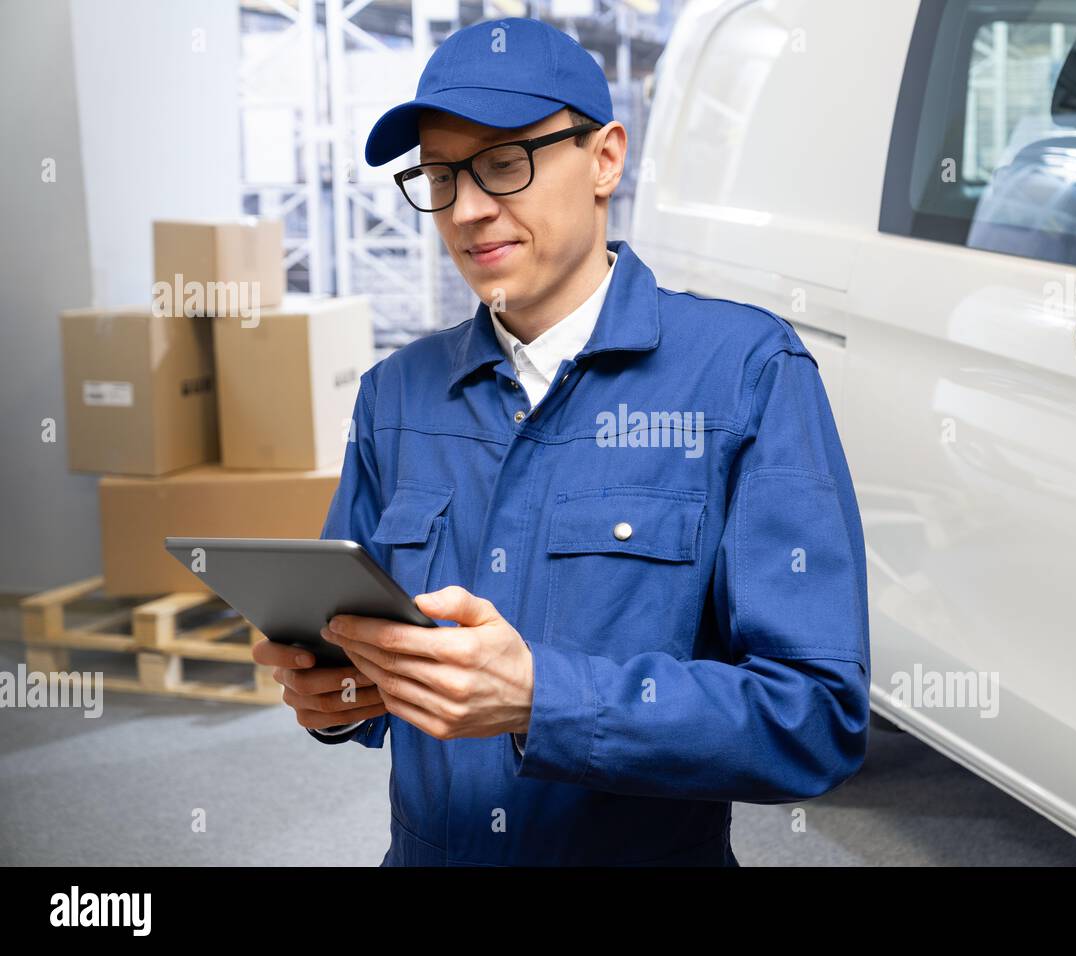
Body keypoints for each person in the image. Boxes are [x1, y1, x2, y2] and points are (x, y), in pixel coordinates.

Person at [253, 15, 871, 867]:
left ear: (606, 158)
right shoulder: (394, 396)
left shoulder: (745, 373)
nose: (467, 209)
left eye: (505, 162)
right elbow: (357, 648)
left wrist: (543, 698)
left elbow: (816, 718)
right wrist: (339, 696)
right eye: (438, 175)